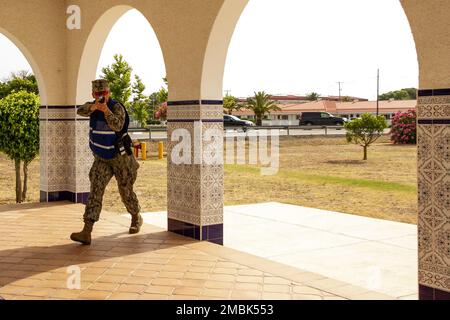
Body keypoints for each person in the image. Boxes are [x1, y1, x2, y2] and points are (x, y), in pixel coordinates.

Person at [70, 79, 143, 245]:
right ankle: (86, 231)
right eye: (98, 94)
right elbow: (80, 110)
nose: (101, 96)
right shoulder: (92, 106)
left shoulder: (117, 107)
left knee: (125, 191)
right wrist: (93, 107)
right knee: (95, 190)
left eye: (104, 93)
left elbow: (118, 125)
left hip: (120, 158)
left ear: (109, 92)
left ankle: (135, 217)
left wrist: (105, 110)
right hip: (101, 157)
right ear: (93, 94)